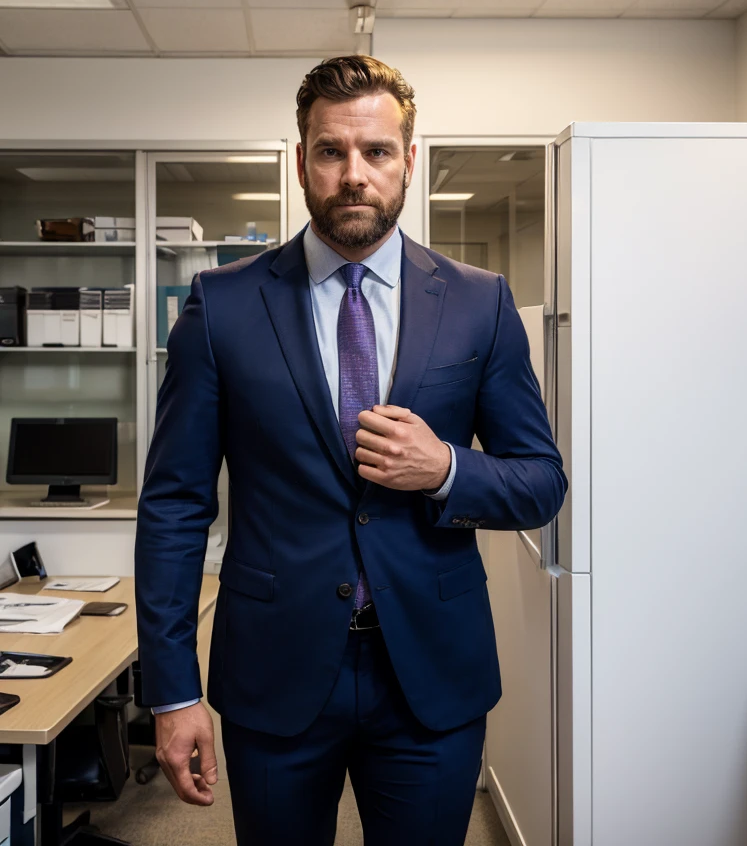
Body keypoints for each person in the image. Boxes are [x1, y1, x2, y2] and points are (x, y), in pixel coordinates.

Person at [134, 55, 567, 845]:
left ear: (409, 161)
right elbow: (173, 505)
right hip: (274, 670)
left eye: (376, 152)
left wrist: (446, 470)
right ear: (302, 162)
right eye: (331, 152)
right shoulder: (222, 305)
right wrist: (170, 692)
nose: (353, 174)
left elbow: (542, 483)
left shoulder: (481, 302)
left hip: (430, 676)